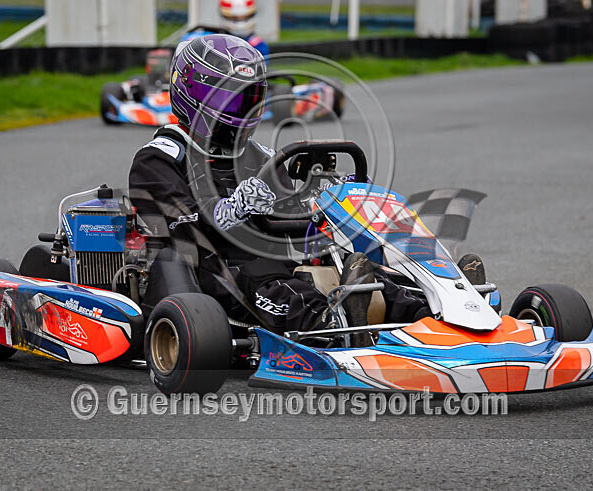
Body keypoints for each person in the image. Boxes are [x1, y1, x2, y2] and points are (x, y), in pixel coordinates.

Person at [129, 34, 430, 335]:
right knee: (275, 283)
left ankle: (429, 314)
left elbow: (292, 212)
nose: (242, 112)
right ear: (194, 94)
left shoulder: (262, 157)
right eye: (233, 100)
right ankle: (332, 325)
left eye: (250, 100)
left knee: (350, 262)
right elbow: (184, 225)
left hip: (278, 256)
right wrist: (234, 208)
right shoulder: (159, 159)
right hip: (213, 269)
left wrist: (330, 198)